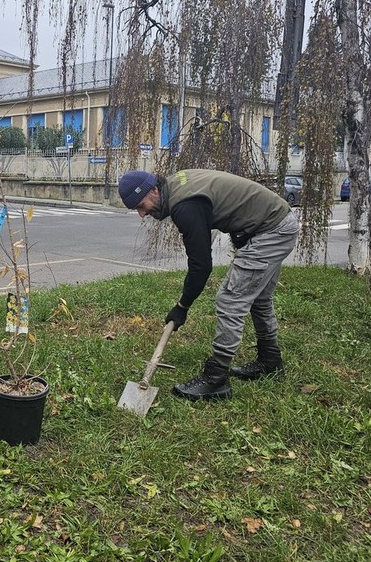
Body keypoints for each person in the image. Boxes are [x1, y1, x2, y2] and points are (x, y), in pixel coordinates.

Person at [118, 168, 299, 401]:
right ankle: (270, 360)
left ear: (153, 190)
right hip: (275, 222)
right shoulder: (175, 186)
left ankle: (216, 378)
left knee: (231, 299)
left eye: (141, 206)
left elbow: (201, 265)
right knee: (259, 297)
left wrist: (182, 307)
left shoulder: (185, 205)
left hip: (271, 230)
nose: (142, 214)